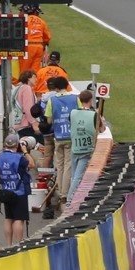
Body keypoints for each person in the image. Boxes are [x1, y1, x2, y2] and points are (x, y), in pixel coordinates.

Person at [45, 77, 81, 214]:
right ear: (66, 85)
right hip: (71, 136)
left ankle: (61, 192)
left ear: (55, 88)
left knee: (59, 166)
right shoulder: (75, 98)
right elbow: (80, 113)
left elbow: (49, 120)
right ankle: (64, 194)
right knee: (68, 165)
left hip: (58, 136)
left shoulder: (52, 100)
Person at [0, 135, 35, 247]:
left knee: (9, 218)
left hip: (6, 191)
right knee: (19, 219)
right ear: (17, 145)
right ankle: (19, 244)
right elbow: (32, 164)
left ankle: (9, 245)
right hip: (19, 191)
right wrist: (25, 151)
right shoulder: (19, 158)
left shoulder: (0, 156)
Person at [67, 90, 99, 198]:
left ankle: (71, 197)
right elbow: (102, 129)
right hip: (86, 150)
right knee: (77, 177)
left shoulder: (73, 113)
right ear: (91, 100)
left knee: (74, 176)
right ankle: (70, 199)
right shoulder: (94, 114)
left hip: (75, 148)